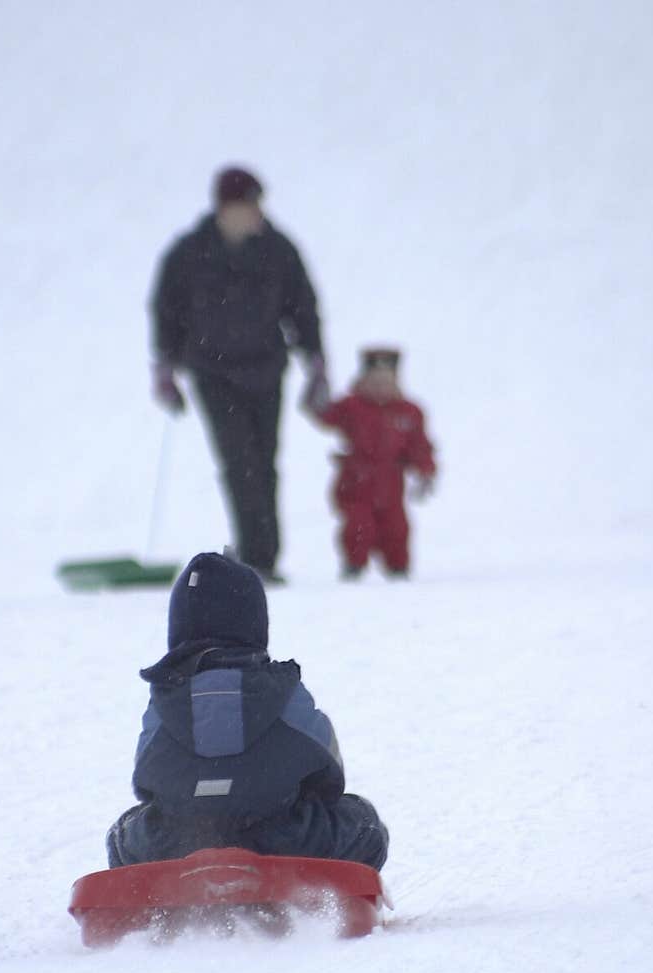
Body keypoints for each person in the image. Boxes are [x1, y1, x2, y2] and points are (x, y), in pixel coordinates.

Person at [106, 551, 388, 871]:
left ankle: (151, 898)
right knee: (365, 823)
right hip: (285, 841)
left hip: (180, 843)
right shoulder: (282, 689)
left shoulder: (163, 698)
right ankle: (336, 895)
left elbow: (146, 779)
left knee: (123, 832)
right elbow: (328, 771)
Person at [147, 167, 330, 584]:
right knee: (238, 461)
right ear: (226, 207)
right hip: (213, 373)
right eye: (250, 204)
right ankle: (256, 559)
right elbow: (168, 310)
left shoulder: (278, 250)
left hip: (266, 370)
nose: (257, 213)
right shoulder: (190, 254)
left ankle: (264, 558)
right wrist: (165, 366)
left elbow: (302, 306)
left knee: (264, 462)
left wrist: (314, 362)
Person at [308, 347, 437, 577]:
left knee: (396, 528)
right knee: (359, 525)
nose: (380, 388)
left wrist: (426, 471)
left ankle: (398, 568)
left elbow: (420, 446)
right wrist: (317, 390)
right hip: (356, 482)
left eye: (386, 382)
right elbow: (325, 414)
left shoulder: (409, 412)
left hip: (391, 483)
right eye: (374, 382)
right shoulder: (352, 407)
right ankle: (354, 565)